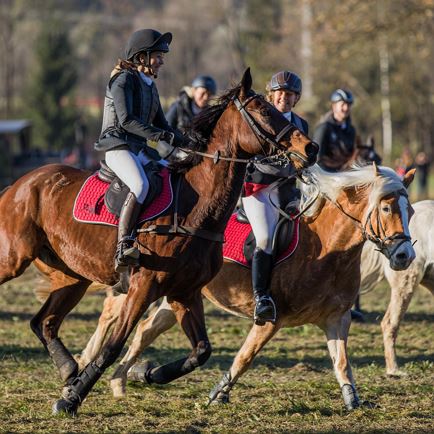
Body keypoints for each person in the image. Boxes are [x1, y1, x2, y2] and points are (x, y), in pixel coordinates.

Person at [95, 28, 187, 272]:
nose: (162, 61)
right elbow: (125, 121)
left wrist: (192, 142)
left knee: (173, 174)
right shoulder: (123, 80)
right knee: (141, 185)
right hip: (117, 145)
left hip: (139, 149)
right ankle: (123, 244)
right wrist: (158, 136)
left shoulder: (150, 86)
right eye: (158, 56)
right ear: (141, 57)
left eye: (161, 56)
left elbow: (165, 126)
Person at [242, 70, 308, 325]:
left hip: (288, 190)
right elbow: (256, 161)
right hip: (258, 188)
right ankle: (261, 297)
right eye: (280, 93)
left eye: (290, 94)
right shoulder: (259, 121)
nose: (284, 97)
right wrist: (290, 168)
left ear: (296, 98)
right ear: (271, 95)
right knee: (266, 237)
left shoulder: (301, 125)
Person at [314, 89, 356, 171]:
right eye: (343, 104)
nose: (346, 108)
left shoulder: (351, 130)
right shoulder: (324, 128)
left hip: (346, 176)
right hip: (326, 176)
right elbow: (317, 158)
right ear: (334, 106)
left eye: (349, 105)